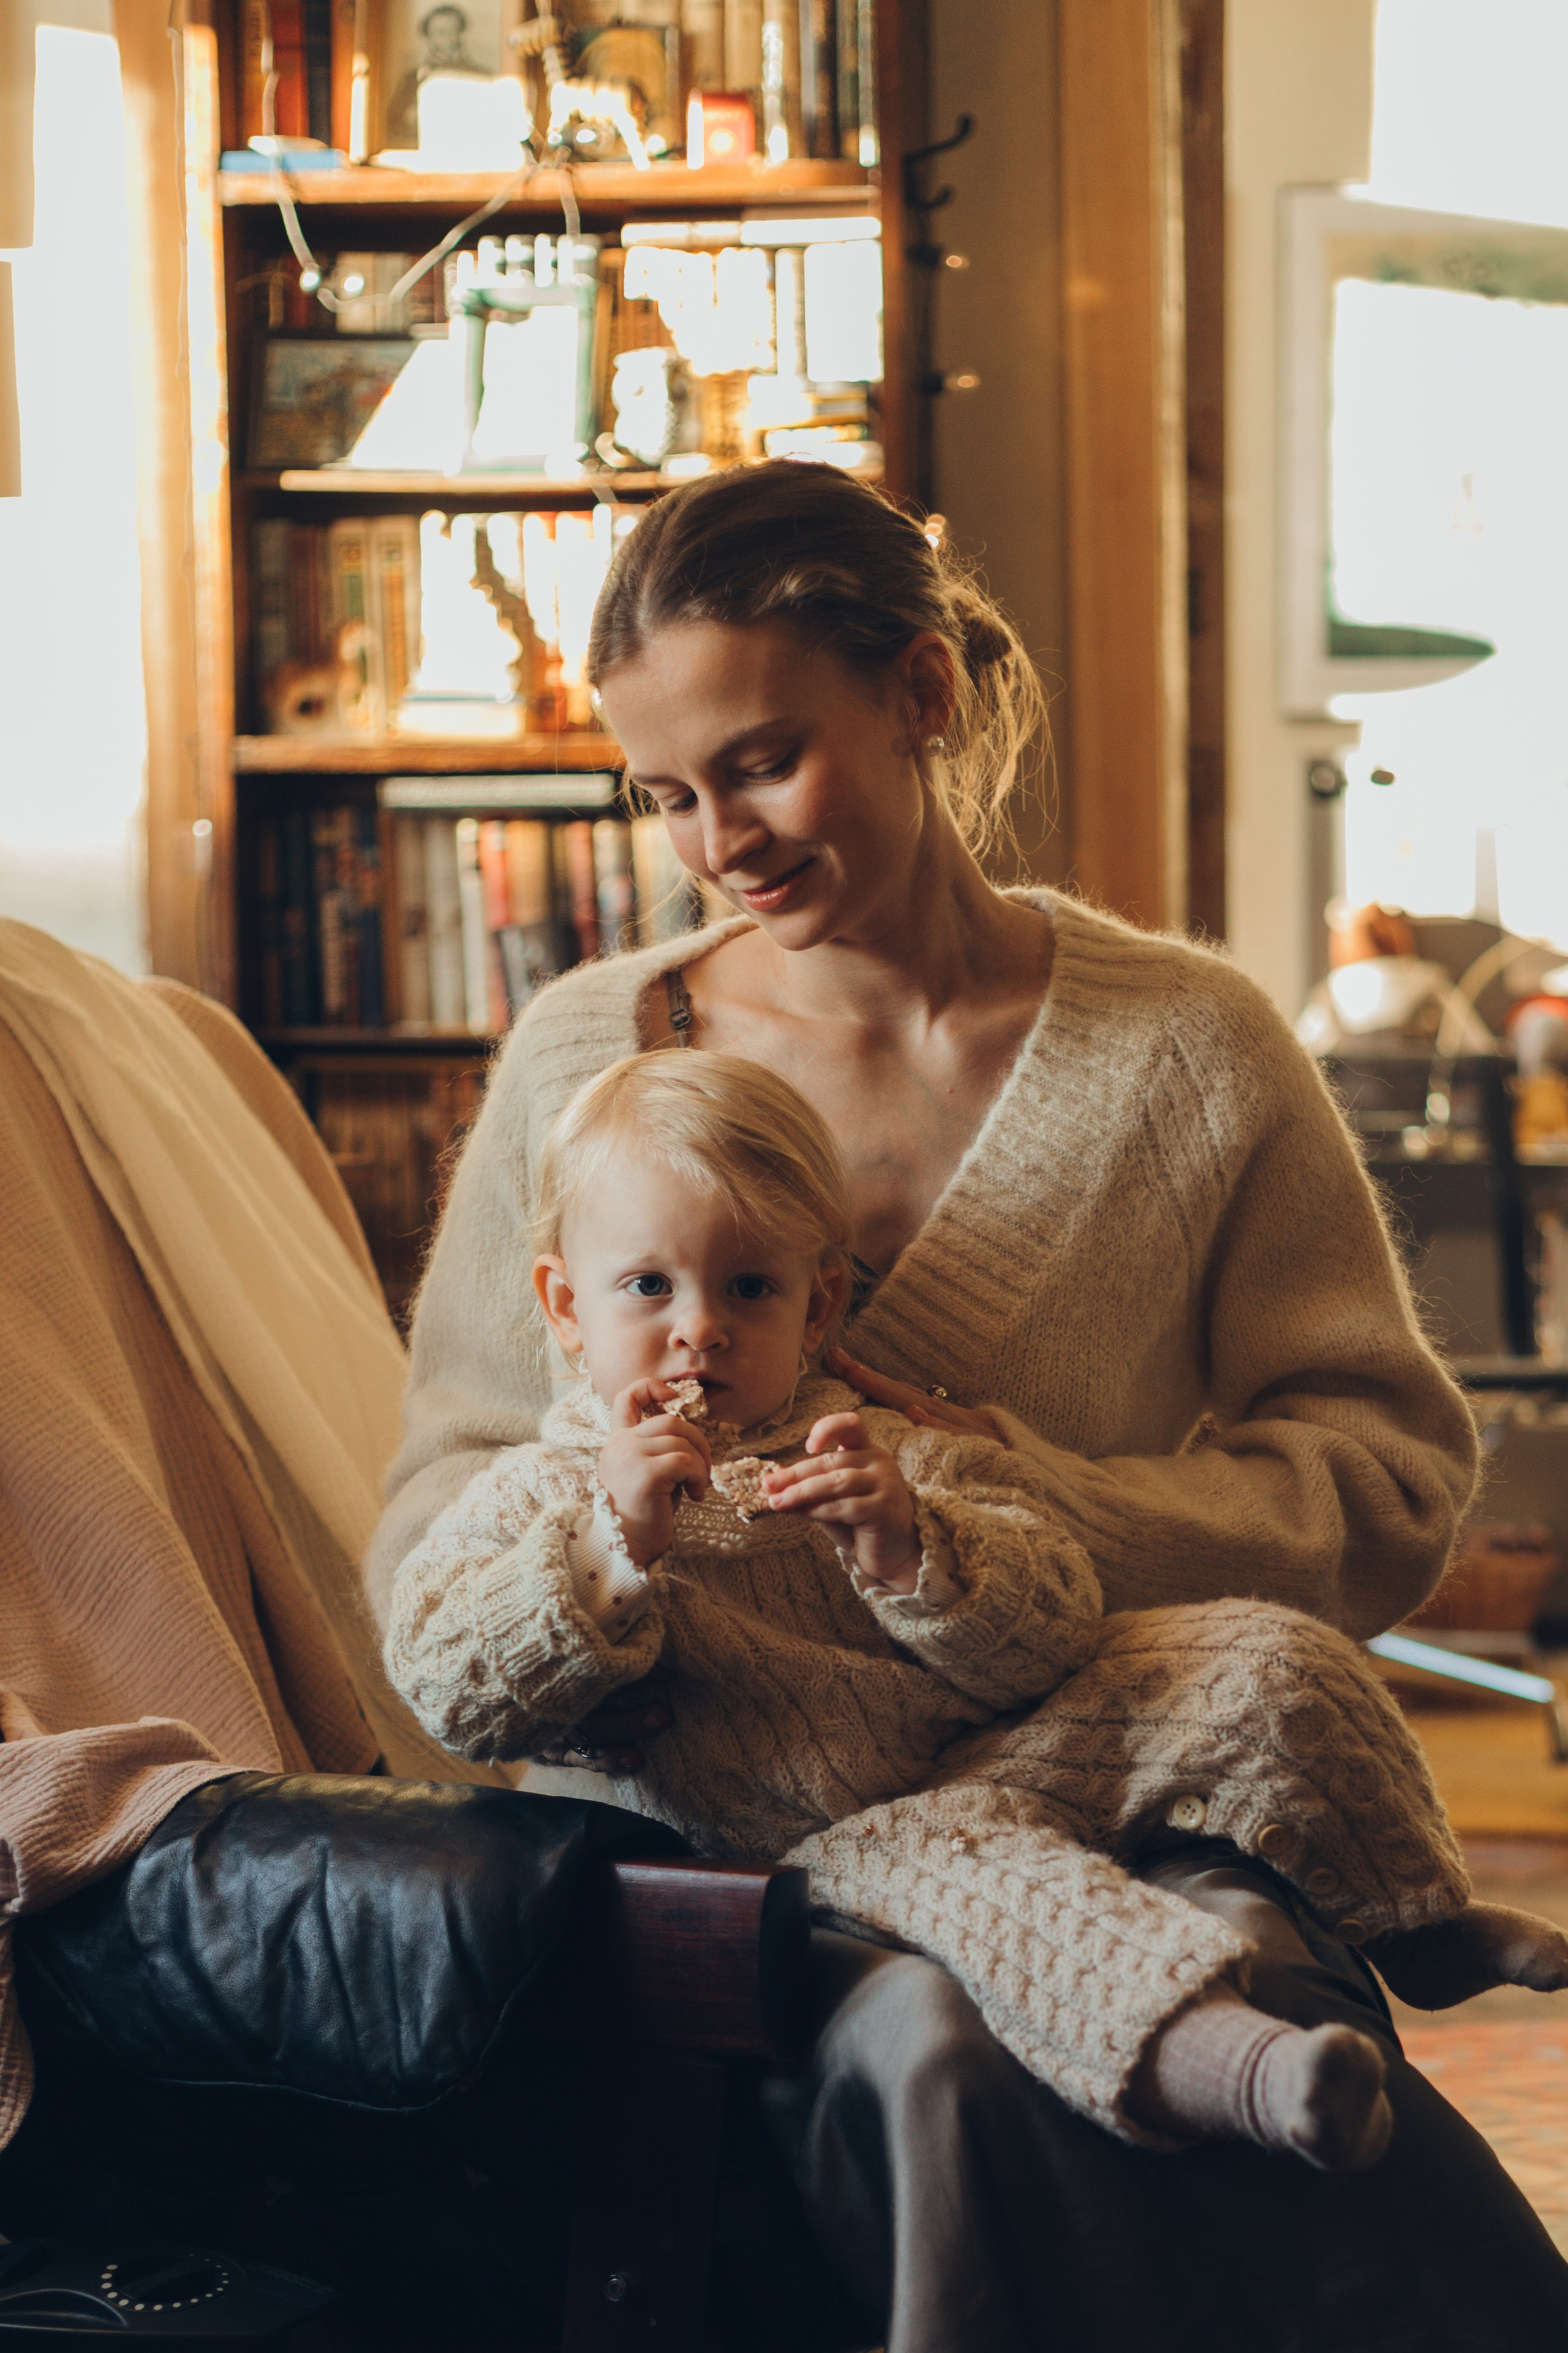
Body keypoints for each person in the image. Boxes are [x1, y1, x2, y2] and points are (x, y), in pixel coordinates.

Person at [365, 461, 1568, 2350]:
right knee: (943, 2043)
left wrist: (1048, 1509)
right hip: (717, 1821)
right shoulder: (590, 1057)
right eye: (665, 793)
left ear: (921, 696)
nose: (718, 843)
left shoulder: (1189, 1048)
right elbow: (446, 1500)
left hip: (1093, 1762)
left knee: (1243, 1958)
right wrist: (620, 1555)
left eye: (761, 761)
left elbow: (1394, 1475)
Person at [383, 1046, 1568, 2174]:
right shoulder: (547, 1494)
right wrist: (612, 1543)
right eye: (649, 1284)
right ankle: (1255, 2075)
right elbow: (443, 1683)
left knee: (1265, 1657)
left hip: (993, 1745)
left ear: (821, 1305)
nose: (701, 1327)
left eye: (751, 1286)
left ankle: (1416, 1918)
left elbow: (1057, 1626)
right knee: (1003, 1883)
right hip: (811, 1840)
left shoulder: (877, 1447)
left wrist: (910, 1547)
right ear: (565, 1306)